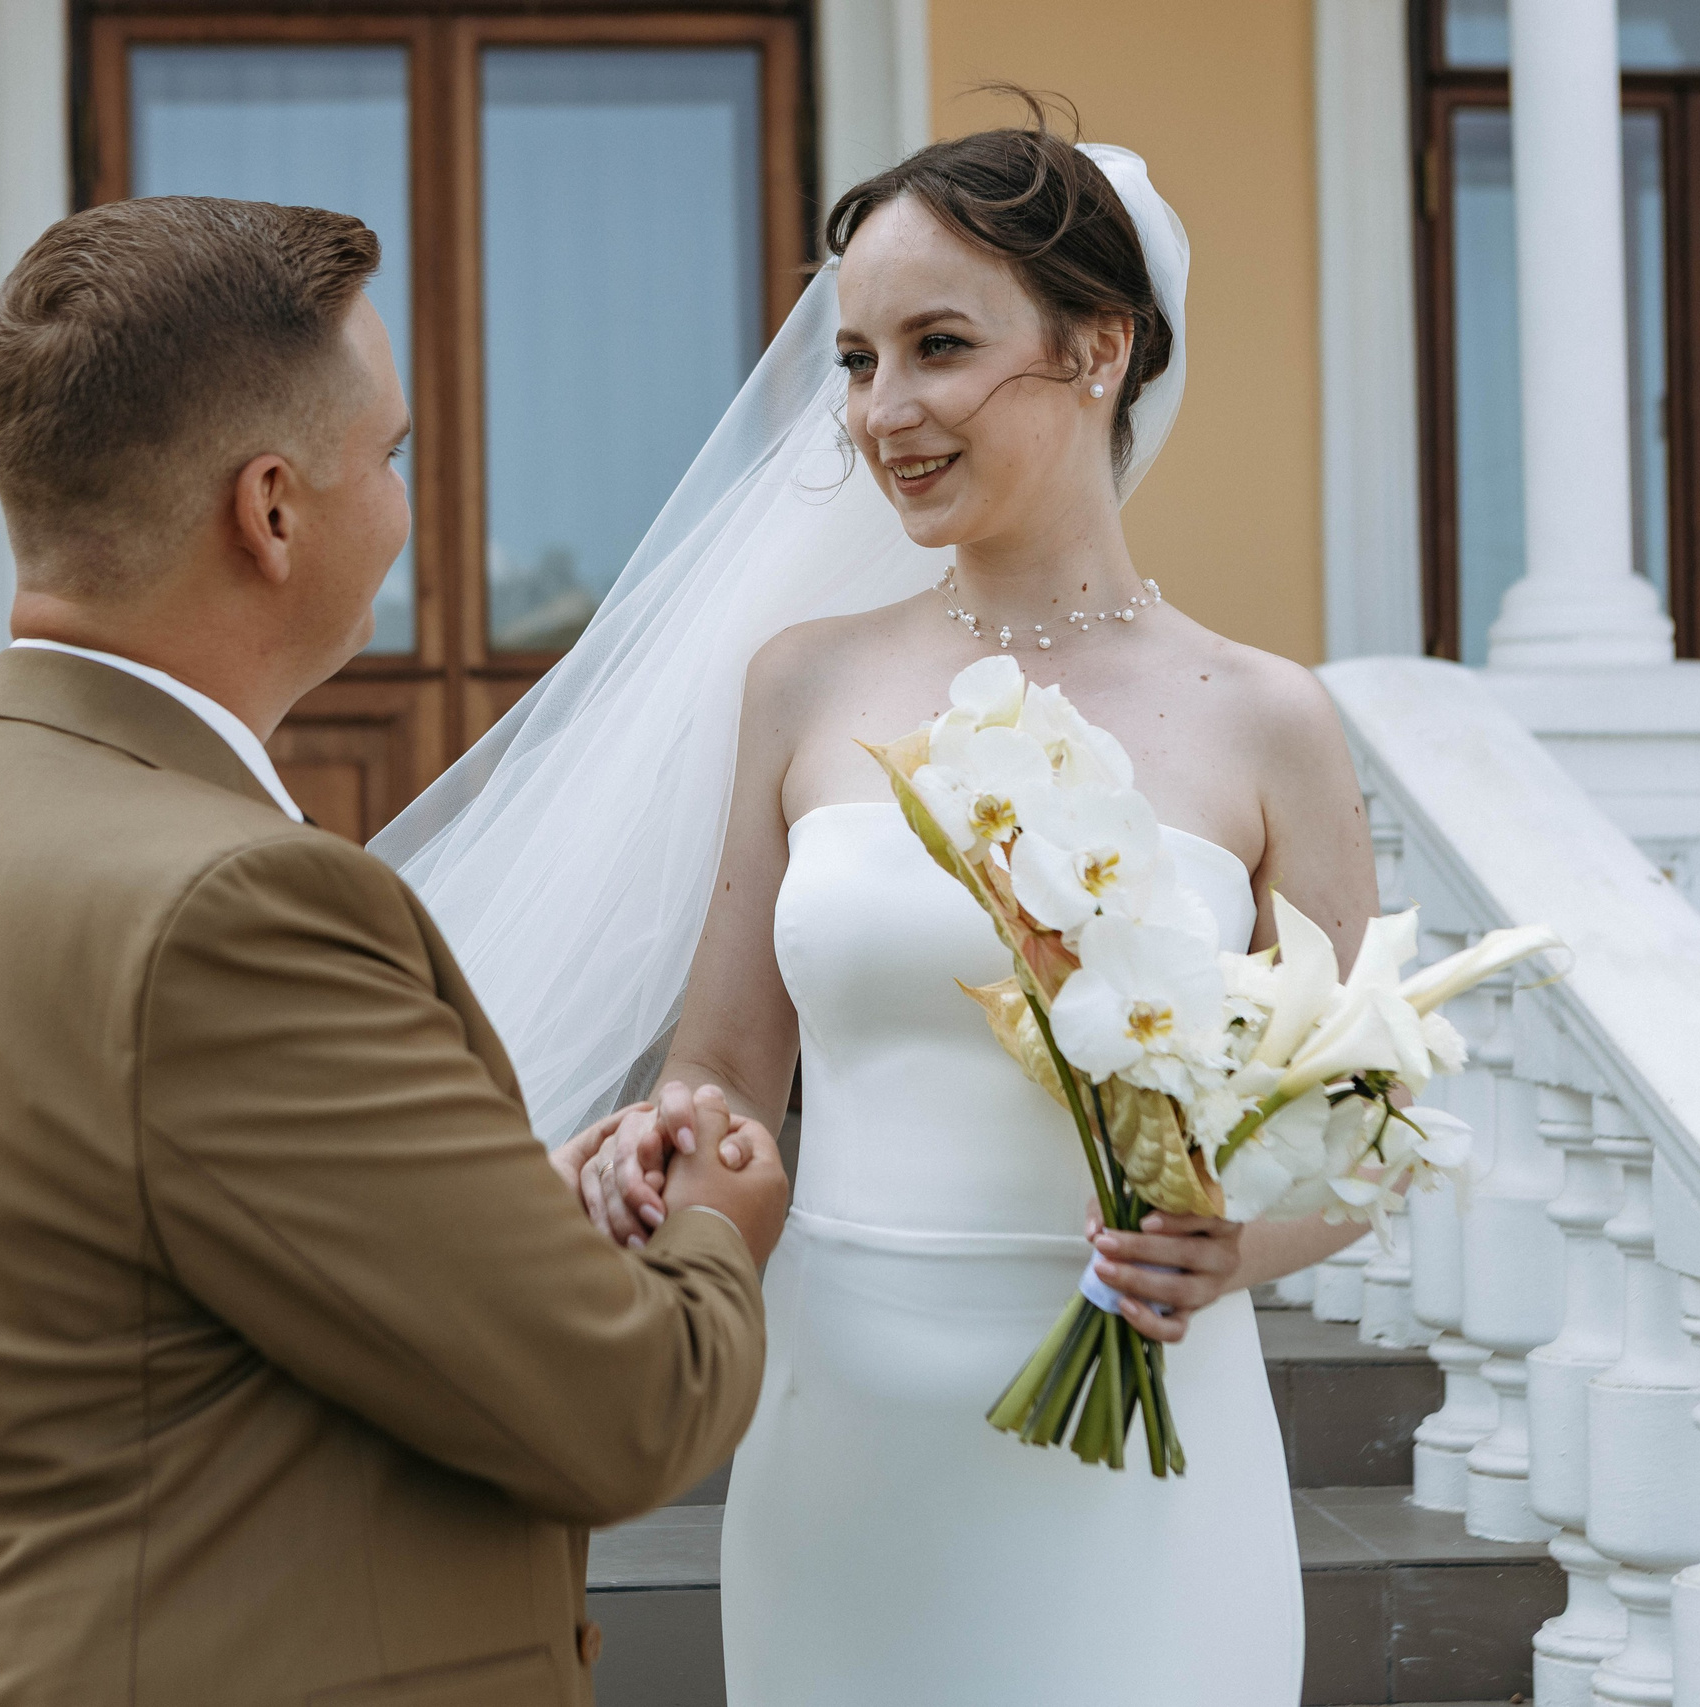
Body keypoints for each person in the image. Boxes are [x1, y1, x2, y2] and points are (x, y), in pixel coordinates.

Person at [375, 104, 1374, 1702]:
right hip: (845, 1435)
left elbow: (1362, 1128)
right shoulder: (802, 684)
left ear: (1099, 347)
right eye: (855, 361)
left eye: (938, 347)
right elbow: (721, 1071)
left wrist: (1235, 1244)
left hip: (1149, 1443)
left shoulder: (1270, 720)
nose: (881, 411)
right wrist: (663, 1144)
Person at [0, 195, 787, 1707]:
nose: (412, 501)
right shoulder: (231, 905)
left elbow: (173, 1260)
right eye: (393, 456)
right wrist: (717, 1222)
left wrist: (507, 1213)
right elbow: (627, 1410)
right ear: (271, 511)